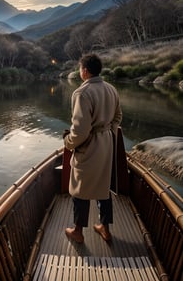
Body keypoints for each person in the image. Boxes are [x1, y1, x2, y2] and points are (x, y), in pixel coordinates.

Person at [63, 53, 122, 244]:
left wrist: (68, 142)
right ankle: (104, 228)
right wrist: (107, 132)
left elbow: (80, 130)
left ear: (85, 71)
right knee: (103, 186)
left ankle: (78, 232)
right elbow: (118, 116)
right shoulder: (111, 89)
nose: (80, 71)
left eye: (80, 68)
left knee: (80, 188)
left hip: (89, 146)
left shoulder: (82, 93)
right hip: (107, 144)